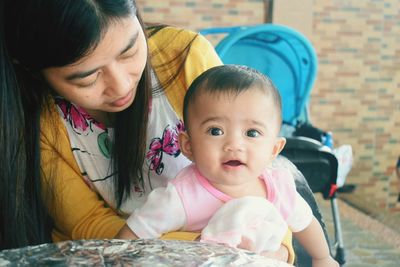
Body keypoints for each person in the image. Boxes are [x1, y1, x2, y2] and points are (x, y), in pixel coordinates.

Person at [0, 1, 328, 265]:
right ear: (33, 70)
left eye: (129, 51)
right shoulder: (34, 116)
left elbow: (251, 160)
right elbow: (86, 224)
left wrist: (275, 246)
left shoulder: (182, 56)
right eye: (87, 78)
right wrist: (221, 251)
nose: (121, 84)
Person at [117, 65, 338, 266]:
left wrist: (323, 258)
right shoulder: (181, 196)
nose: (234, 145)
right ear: (188, 145)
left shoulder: (278, 187)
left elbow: (306, 224)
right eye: (216, 131)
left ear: (273, 150)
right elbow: (132, 236)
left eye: (252, 133)